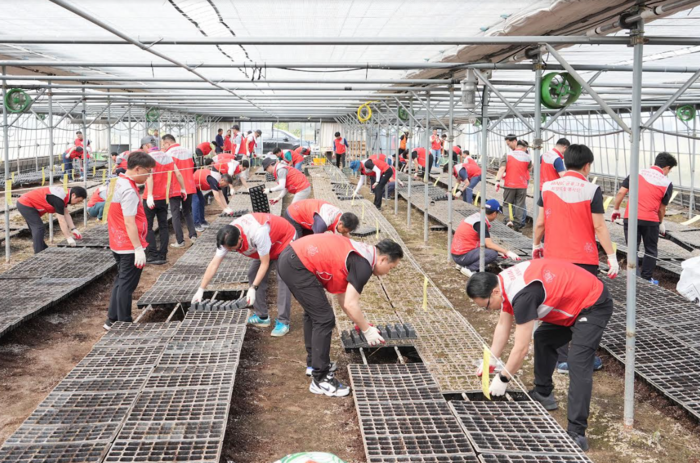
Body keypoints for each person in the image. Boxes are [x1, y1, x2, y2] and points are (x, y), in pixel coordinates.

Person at [466, 261, 614, 451]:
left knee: (577, 362)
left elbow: (521, 348)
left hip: (593, 303)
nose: (487, 310)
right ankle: (543, 393)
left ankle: (577, 433)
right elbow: (503, 325)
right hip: (571, 299)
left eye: (486, 306)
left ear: (494, 292)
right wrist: (492, 360)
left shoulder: (523, 294)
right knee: (544, 338)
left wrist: (503, 378)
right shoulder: (503, 283)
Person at [278, 235, 404, 396]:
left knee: (315, 314)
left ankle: (314, 364)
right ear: (383, 259)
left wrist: (358, 322)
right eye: (391, 268)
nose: (388, 272)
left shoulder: (363, 254)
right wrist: (367, 330)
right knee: (324, 319)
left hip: (292, 257)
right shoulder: (363, 265)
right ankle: (321, 379)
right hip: (297, 264)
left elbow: (343, 296)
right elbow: (350, 303)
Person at [533, 144, 618, 373]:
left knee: (557, 306)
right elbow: (599, 226)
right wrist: (611, 257)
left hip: (554, 257)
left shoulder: (548, 187)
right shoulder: (591, 189)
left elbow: (540, 222)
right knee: (584, 311)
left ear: (566, 161)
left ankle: (561, 360)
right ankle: (581, 359)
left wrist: (536, 245)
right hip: (584, 259)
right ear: (587, 165)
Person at [192, 213, 295, 337]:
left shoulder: (257, 233)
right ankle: (262, 316)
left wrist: (253, 288)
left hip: (284, 239)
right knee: (253, 273)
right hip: (266, 244)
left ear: (240, 238)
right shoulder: (226, 237)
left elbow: (265, 263)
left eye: (233, 248)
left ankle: (283, 321)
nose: (230, 251)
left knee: (283, 276)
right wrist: (201, 289)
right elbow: (214, 263)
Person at [104, 151, 156, 330]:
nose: (149, 176)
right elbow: (129, 221)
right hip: (128, 244)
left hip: (117, 241)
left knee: (121, 280)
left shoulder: (119, 181)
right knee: (127, 284)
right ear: (138, 168)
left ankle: (112, 319)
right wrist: (138, 248)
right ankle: (124, 322)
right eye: (148, 171)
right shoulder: (129, 191)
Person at [611, 152, 677, 284]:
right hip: (650, 220)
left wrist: (616, 209)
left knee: (632, 248)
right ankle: (646, 279)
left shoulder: (636, 173)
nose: (668, 173)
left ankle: (633, 277)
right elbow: (661, 208)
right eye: (669, 170)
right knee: (650, 250)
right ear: (667, 167)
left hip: (631, 217)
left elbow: (621, 192)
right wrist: (660, 223)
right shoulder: (666, 182)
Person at [141, 137, 186, 265]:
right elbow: (178, 174)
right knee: (163, 225)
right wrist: (183, 188)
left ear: (147, 146)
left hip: (150, 197)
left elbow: (149, 176)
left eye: (143, 146)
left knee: (148, 226)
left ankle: (152, 254)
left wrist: (149, 194)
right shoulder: (167, 157)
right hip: (163, 197)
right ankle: (163, 254)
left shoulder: (148, 158)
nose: (143, 149)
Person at [451, 199, 521, 277]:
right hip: (462, 256)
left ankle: (462, 265)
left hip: (457, 253)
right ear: (494, 213)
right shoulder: (481, 223)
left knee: (493, 251)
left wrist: (499, 251)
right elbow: (489, 244)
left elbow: (484, 242)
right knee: (492, 254)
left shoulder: (476, 217)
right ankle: (469, 268)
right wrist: (507, 252)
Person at [17, 185, 87, 254]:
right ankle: (38, 253)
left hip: (29, 203)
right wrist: (68, 237)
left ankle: (43, 248)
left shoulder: (66, 194)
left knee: (36, 228)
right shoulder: (58, 199)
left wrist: (73, 229)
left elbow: (66, 213)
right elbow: (61, 220)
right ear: (74, 195)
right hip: (25, 203)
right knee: (38, 228)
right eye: (78, 200)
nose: (77, 203)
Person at [162, 134, 198, 248]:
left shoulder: (168, 154)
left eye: (164, 144)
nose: (164, 146)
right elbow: (193, 167)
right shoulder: (188, 151)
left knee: (175, 214)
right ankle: (193, 235)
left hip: (175, 187)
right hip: (189, 186)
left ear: (167, 143)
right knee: (187, 212)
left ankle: (180, 241)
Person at [495, 139, 531, 230]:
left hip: (510, 184)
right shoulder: (528, 157)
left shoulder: (507, 155)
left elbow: (502, 168)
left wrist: (497, 181)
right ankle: (517, 225)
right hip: (522, 185)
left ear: (517, 145)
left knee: (507, 203)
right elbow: (529, 169)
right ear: (525, 148)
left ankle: (508, 221)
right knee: (520, 205)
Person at [284, 199, 359, 238]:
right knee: (299, 242)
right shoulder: (323, 223)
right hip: (293, 214)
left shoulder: (342, 216)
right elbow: (316, 241)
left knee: (307, 237)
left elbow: (345, 234)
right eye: (345, 230)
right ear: (340, 223)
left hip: (305, 213)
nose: (344, 232)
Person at [192, 168, 233, 232]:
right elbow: (217, 197)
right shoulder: (213, 180)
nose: (226, 186)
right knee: (196, 202)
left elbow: (221, 195)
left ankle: (202, 221)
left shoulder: (219, 180)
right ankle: (196, 224)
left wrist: (227, 207)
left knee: (202, 201)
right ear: (222, 180)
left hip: (197, 184)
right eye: (226, 184)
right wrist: (224, 209)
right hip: (191, 182)